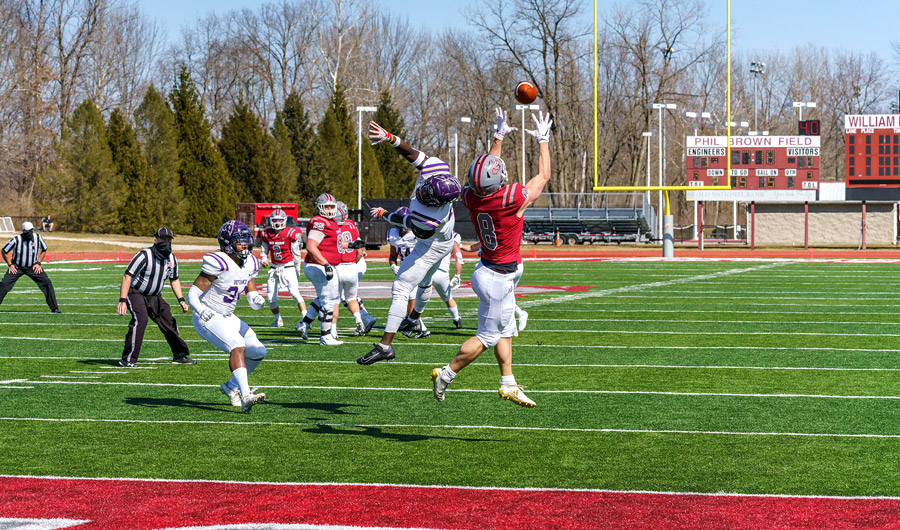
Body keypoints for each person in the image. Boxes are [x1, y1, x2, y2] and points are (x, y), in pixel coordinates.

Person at [431, 108, 552, 408]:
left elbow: (485, 171)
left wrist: (498, 137)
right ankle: (445, 374)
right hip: (498, 276)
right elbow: (544, 175)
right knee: (486, 337)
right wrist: (543, 140)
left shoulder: (471, 197)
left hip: (489, 270)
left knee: (506, 329)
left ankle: (508, 382)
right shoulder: (510, 199)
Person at [357, 121, 462, 365]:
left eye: (428, 195)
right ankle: (414, 319)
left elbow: (407, 222)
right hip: (442, 242)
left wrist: (384, 214)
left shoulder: (429, 218)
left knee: (402, 286)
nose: (422, 193)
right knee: (425, 283)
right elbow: (411, 153)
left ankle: (385, 346)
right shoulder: (436, 169)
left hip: (432, 244)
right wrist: (390, 138)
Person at [187, 220, 268, 412]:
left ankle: (230, 387)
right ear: (227, 244)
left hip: (227, 314)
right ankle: (246, 395)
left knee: (258, 351)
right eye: (240, 242)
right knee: (237, 345)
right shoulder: (218, 261)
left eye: (246, 241)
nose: (245, 245)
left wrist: (254, 296)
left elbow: (248, 282)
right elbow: (192, 293)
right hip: (207, 314)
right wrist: (200, 309)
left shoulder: (250, 261)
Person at [116, 227, 193, 367]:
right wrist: (122, 300)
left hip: (155, 296)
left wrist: (181, 299)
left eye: (169, 240)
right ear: (155, 240)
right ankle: (128, 360)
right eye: (163, 239)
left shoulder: (172, 258)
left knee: (169, 322)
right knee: (141, 320)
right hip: (136, 292)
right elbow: (127, 276)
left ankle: (179, 355)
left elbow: (174, 279)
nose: (166, 243)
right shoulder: (144, 255)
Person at [296, 193, 344, 345]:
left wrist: (351, 245)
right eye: (326, 207)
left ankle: (304, 323)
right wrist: (326, 264)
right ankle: (325, 336)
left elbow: (331, 243)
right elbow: (310, 246)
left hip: (322, 265)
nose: (329, 210)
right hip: (319, 265)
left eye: (332, 206)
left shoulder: (330, 221)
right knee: (328, 301)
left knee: (323, 297)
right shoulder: (319, 222)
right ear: (319, 207)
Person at [460, 240, 527, 333]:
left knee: (498, 296)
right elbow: (473, 247)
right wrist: (457, 244)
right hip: (509, 266)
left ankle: (507, 325)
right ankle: (517, 319)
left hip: (508, 267)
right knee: (506, 296)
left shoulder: (498, 238)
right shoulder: (490, 236)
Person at [332, 201, 376, 336]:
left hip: (347, 263)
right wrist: (357, 258)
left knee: (339, 297)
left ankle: (365, 318)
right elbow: (359, 245)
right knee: (349, 295)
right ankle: (364, 318)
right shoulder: (351, 223)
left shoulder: (332, 226)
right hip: (356, 262)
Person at [259, 208, 307, 328]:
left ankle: (306, 319)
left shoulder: (290, 233)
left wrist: (297, 268)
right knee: (270, 298)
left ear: (284, 220)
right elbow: (264, 249)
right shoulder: (266, 233)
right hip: (274, 268)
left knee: (295, 293)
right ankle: (278, 320)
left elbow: (296, 253)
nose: (277, 222)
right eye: (275, 220)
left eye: (280, 220)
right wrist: (263, 259)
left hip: (288, 266)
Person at [0, 221, 60, 313]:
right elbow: (4, 251)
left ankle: (55, 308)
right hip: (17, 267)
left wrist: (38, 263)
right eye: (28, 231)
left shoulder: (37, 237)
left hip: (32, 266)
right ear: (23, 231)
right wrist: (10, 265)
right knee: (4, 284)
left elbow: (44, 250)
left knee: (47, 282)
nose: (30, 233)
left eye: (31, 230)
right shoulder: (16, 239)